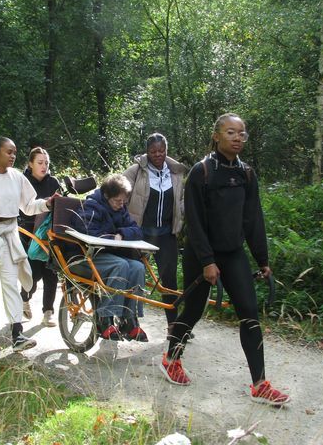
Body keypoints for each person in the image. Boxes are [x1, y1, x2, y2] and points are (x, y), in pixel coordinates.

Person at [158, 113, 290, 406]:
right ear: (216, 136)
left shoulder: (247, 174)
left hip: (233, 254)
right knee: (192, 311)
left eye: (242, 133)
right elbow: (194, 222)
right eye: (231, 132)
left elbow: (253, 218)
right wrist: (206, 261)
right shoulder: (201, 172)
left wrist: (262, 258)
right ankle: (171, 359)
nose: (238, 138)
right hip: (200, 254)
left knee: (249, 312)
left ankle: (260, 384)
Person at [0, 135, 57, 352]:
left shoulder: (17, 177)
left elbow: (28, 205)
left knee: (10, 282)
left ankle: (17, 334)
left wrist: (46, 203)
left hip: (8, 233)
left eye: (14, 152)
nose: (13, 156)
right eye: (9, 152)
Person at [123, 132, 188, 339]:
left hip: (166, 234)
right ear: (147, 152)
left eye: (161, 151)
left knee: (169, 281)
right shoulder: (135, 172)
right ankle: (128, 322)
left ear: (166, 150)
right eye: (153, 151)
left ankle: (174, 326)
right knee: (133, 274)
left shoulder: (176, 173)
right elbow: (118, 195)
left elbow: (182, 203)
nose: (158, 155)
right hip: (139, 233)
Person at [69, 174, 148, 342]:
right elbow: (87, 232)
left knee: (138, 267)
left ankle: (129, 319)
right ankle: (105, 319)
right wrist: (113, 239)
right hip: (88, 256)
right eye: (117, 201)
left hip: (109, 254)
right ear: (106, 196)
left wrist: (121, 234)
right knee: (121, 265)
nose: (121, 206)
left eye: (123, 202)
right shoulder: (91, 206)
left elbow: (137, 230)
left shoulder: (120, 209)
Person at [18, 147, 61, 327]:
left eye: (46, 163)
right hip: (28, 232)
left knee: (51, 273)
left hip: (49, 234)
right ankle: (25, 298)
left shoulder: (53, 182)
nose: (44, 166)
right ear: (30, 164)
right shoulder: (22, 181)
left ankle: (48, 312)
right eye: (40, 163)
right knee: (33, 274)